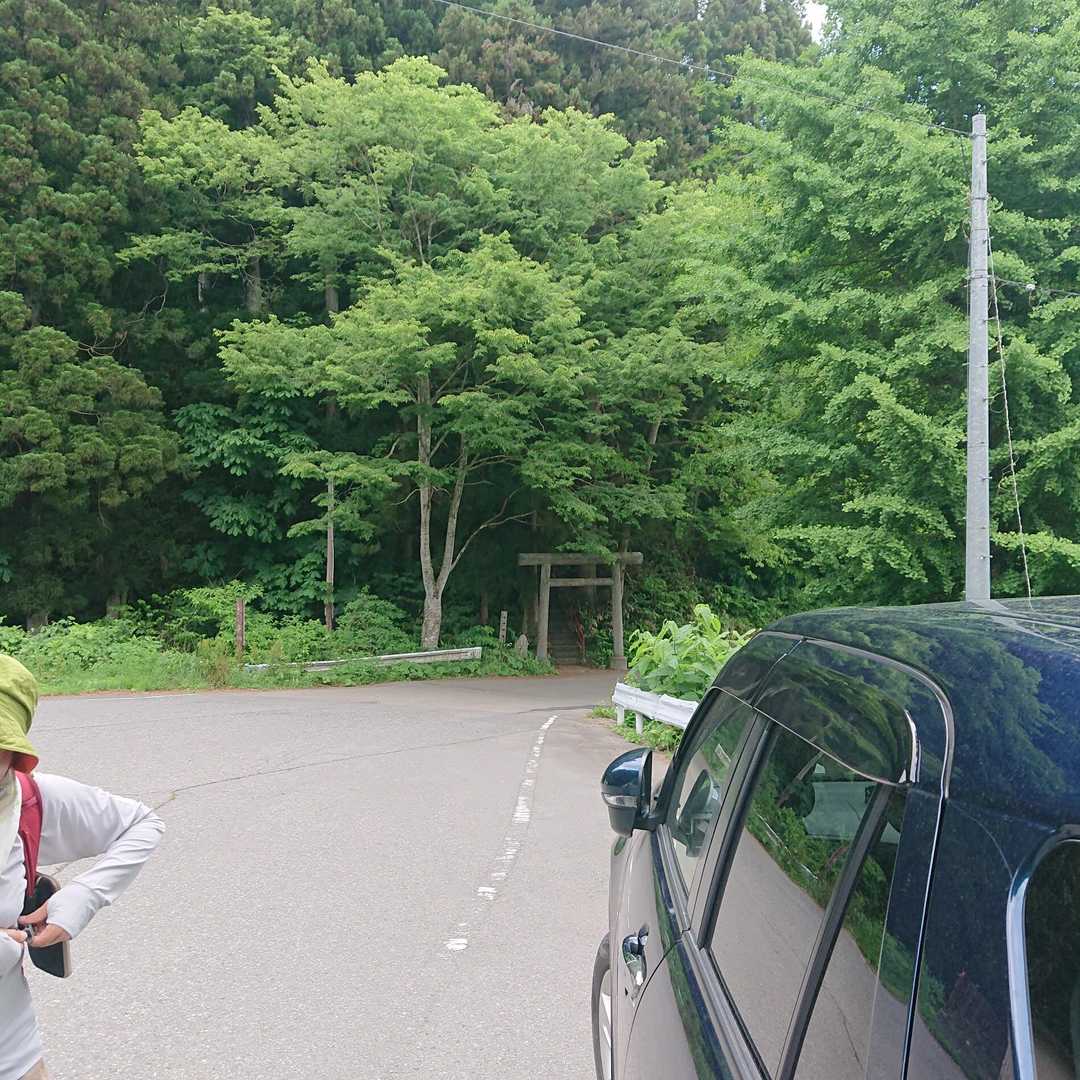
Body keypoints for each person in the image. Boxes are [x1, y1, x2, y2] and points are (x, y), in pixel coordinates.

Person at [0, 654, 165, 1080]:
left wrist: (83, 896)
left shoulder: (30, 803)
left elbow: (141, 824)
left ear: (14, 753)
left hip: (10, 1050)